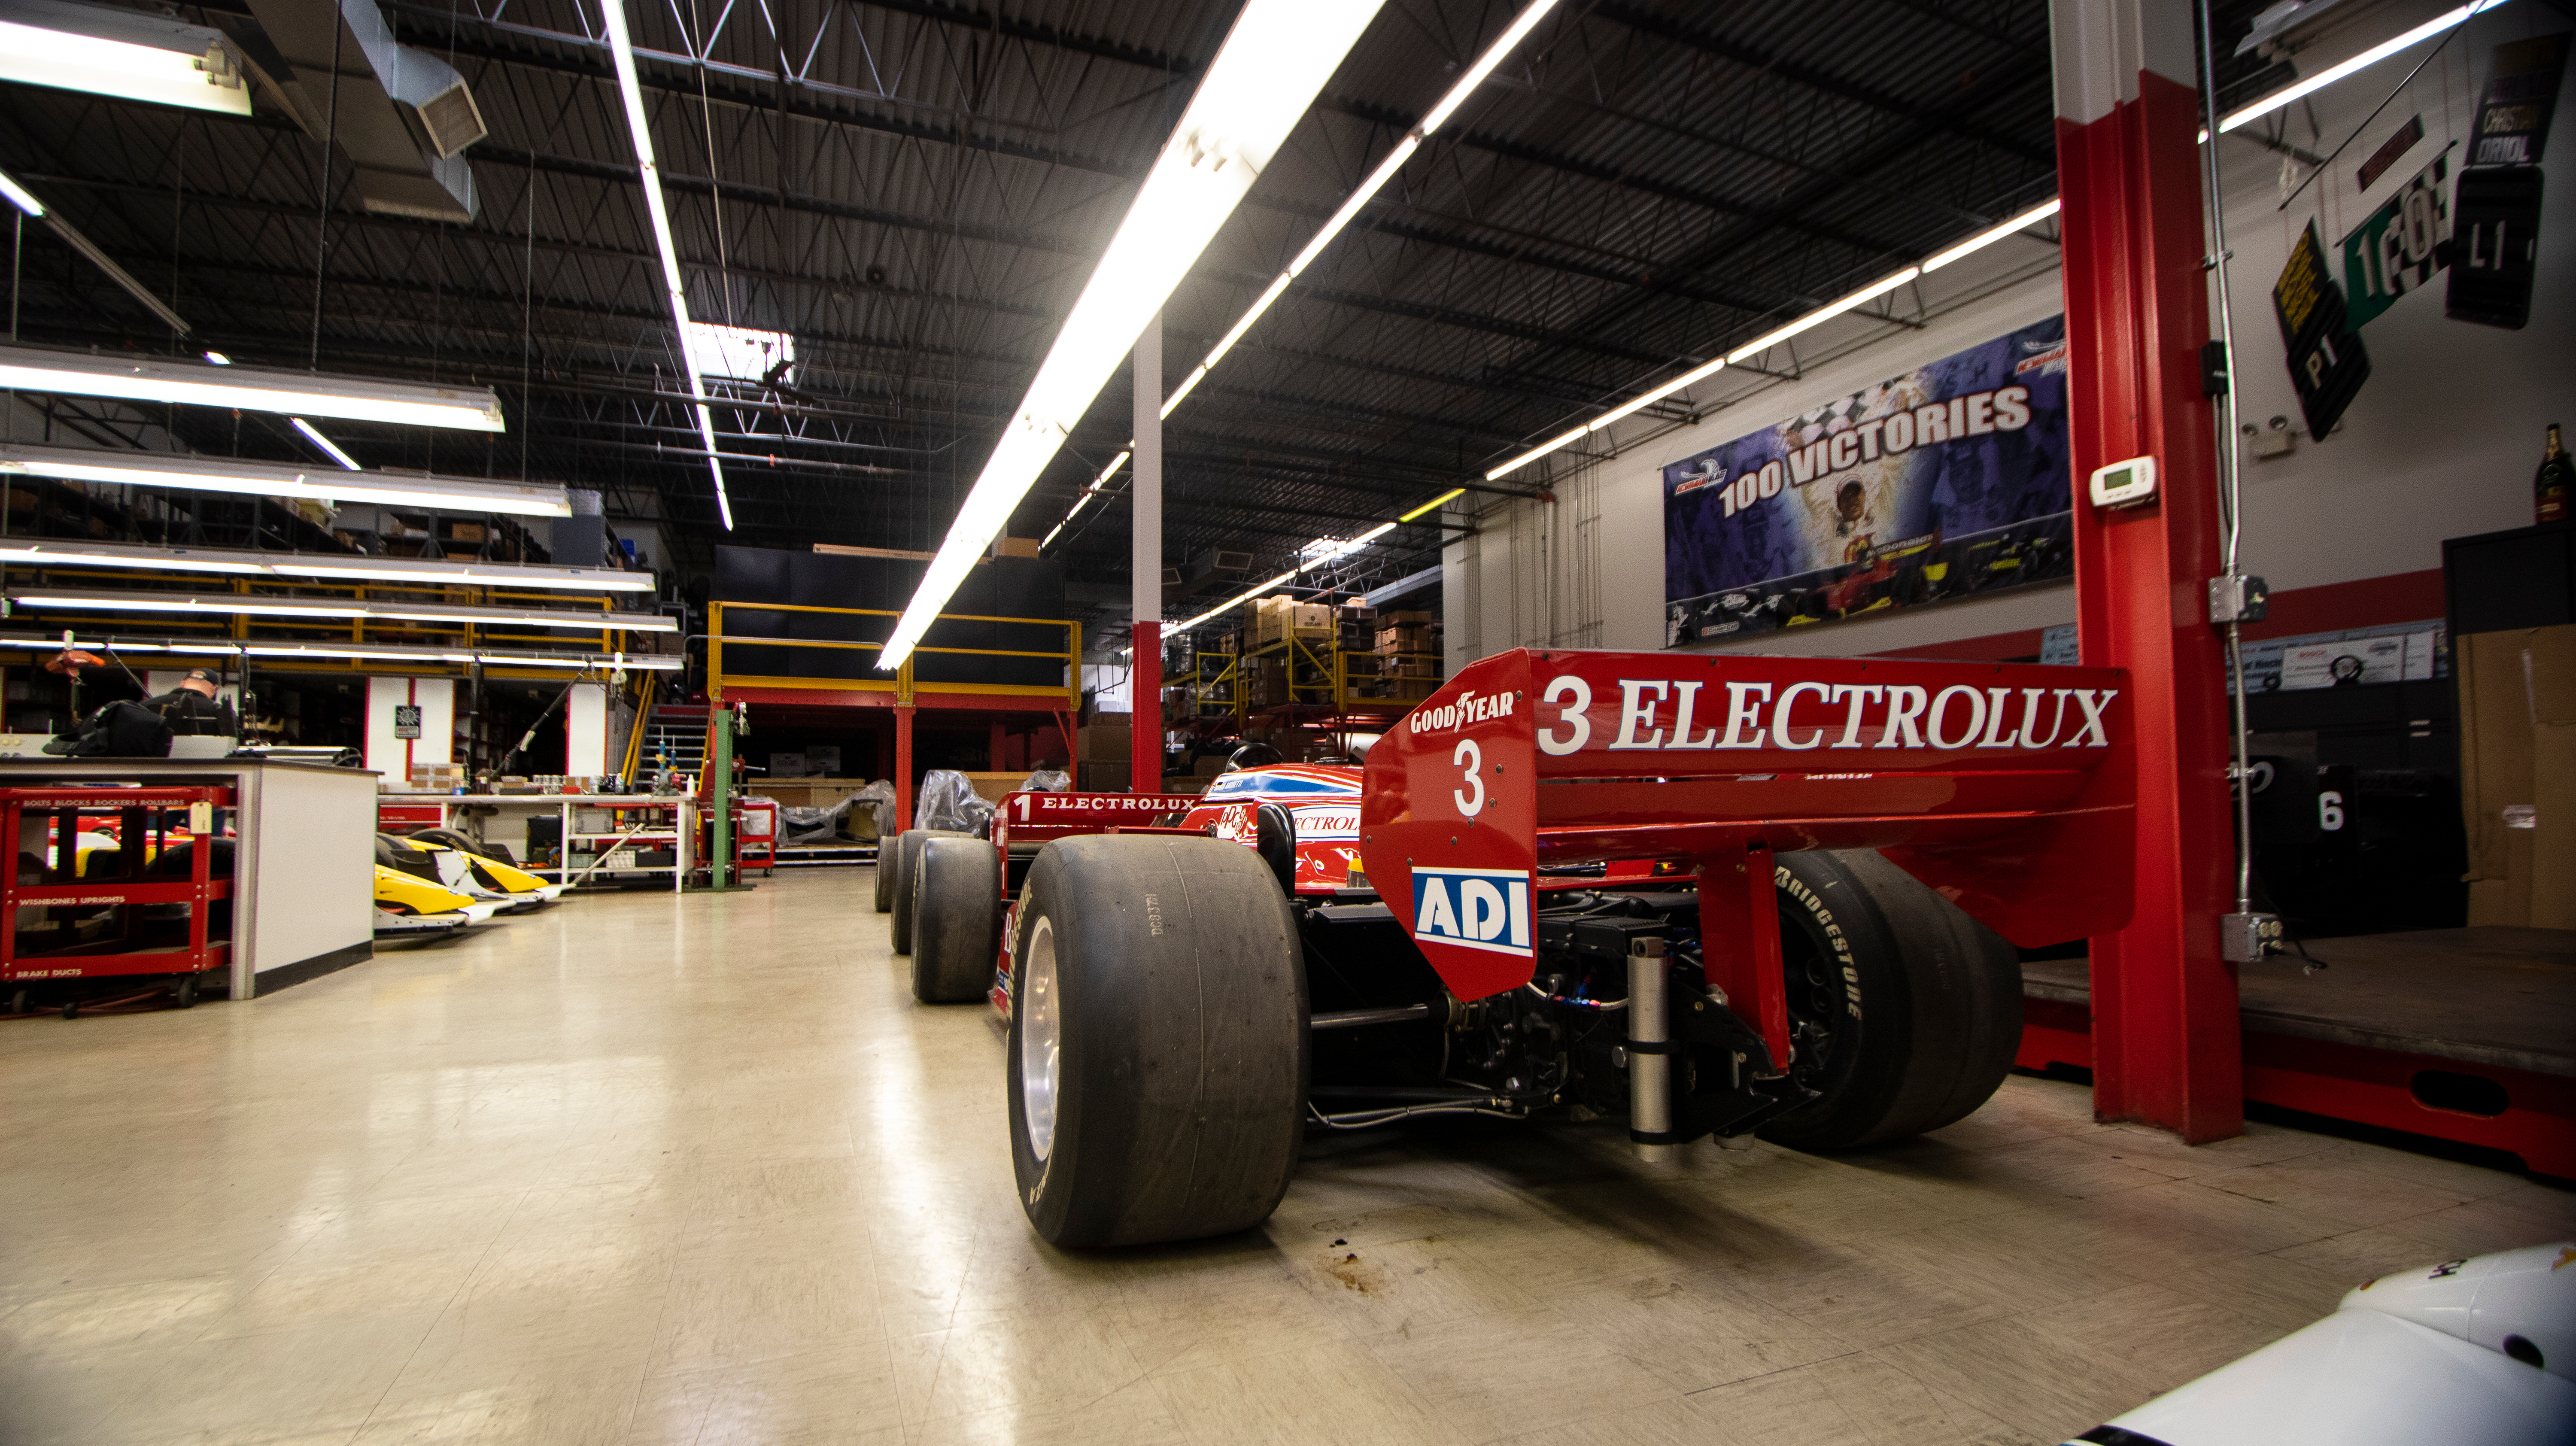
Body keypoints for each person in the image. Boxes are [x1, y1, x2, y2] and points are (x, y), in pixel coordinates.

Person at [142, 669, 238, 737]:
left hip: (154, 763)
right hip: (204, 763)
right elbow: (235, 742)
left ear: (183, 684)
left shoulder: (146, 705)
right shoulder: (221, 711)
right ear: (215, 688)